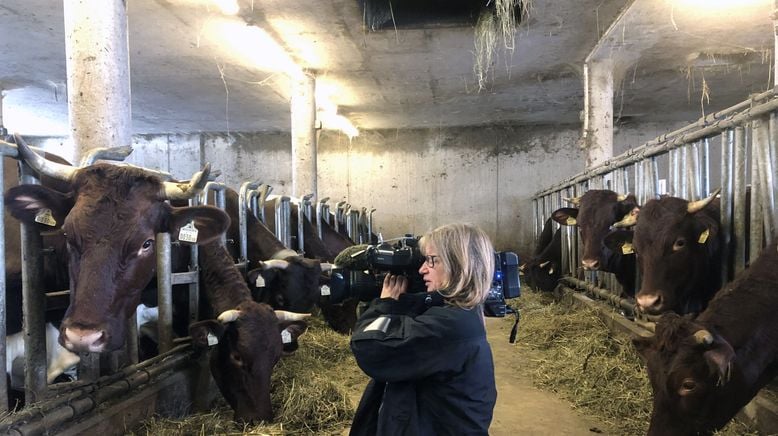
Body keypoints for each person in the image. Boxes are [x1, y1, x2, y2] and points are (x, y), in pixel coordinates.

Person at [349, 223, 497, 436]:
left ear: (458, 264)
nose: (421, 270)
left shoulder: (451, 325)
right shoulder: (460, 314)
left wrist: (387, 304)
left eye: (432, 260)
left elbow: (371, 349)